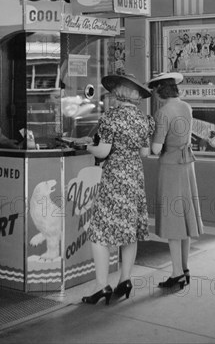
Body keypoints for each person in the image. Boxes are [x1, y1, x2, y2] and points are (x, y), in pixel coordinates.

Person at [81, 74, 155, 305]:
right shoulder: (144, 119)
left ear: (119, 93)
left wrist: (86, 147)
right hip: (135, 176)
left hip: (115, 177)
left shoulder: (111, 117)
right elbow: (145, 152)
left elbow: (103, 152)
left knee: (99, 232)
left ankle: (101, 285)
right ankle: (125, 279)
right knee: (129, 230)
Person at [148, 72, 203, 290]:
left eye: (155, 91)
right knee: (186, 218)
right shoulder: (185, 107)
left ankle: (177, 273)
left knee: (172, 221)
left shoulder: (163, 112)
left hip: (170, 167)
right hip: (188, 164)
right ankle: (185, 268)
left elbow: (156, 148)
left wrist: (149, 134)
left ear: (160, 91)